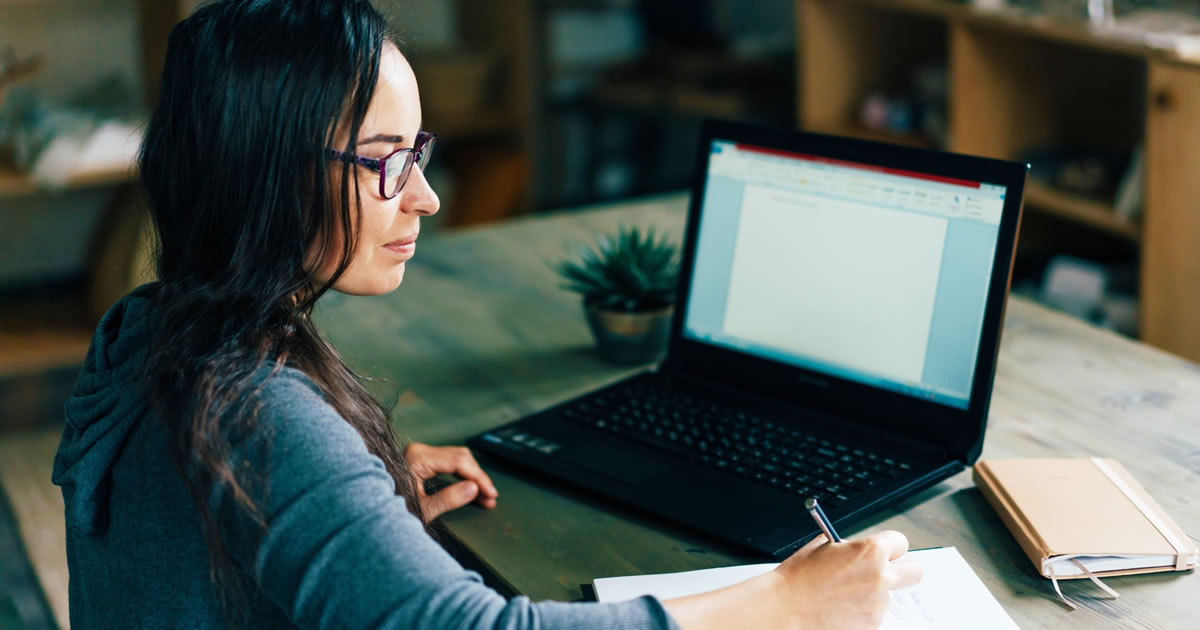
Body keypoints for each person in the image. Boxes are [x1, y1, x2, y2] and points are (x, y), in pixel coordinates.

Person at [50, 1, 922, 628]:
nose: (425, 197)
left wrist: (355, 508)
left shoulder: (146, 326)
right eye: (387, 160)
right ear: (267, 171)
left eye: (418, 153)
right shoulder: (260, 413)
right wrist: (785, 602)